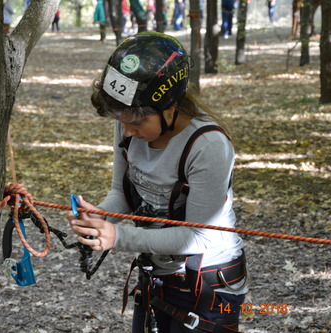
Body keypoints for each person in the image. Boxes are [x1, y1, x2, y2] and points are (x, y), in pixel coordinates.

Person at [67, 32, 248, 333]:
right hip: (156, 276)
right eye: (120, 120)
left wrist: (117, 236)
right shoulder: (130, 118)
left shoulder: (208, 146)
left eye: (136, 123)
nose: (126, 131)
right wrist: (101, 215)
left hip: (209, 285)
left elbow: (201, 237)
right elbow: (122, 194)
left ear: (169, 108)